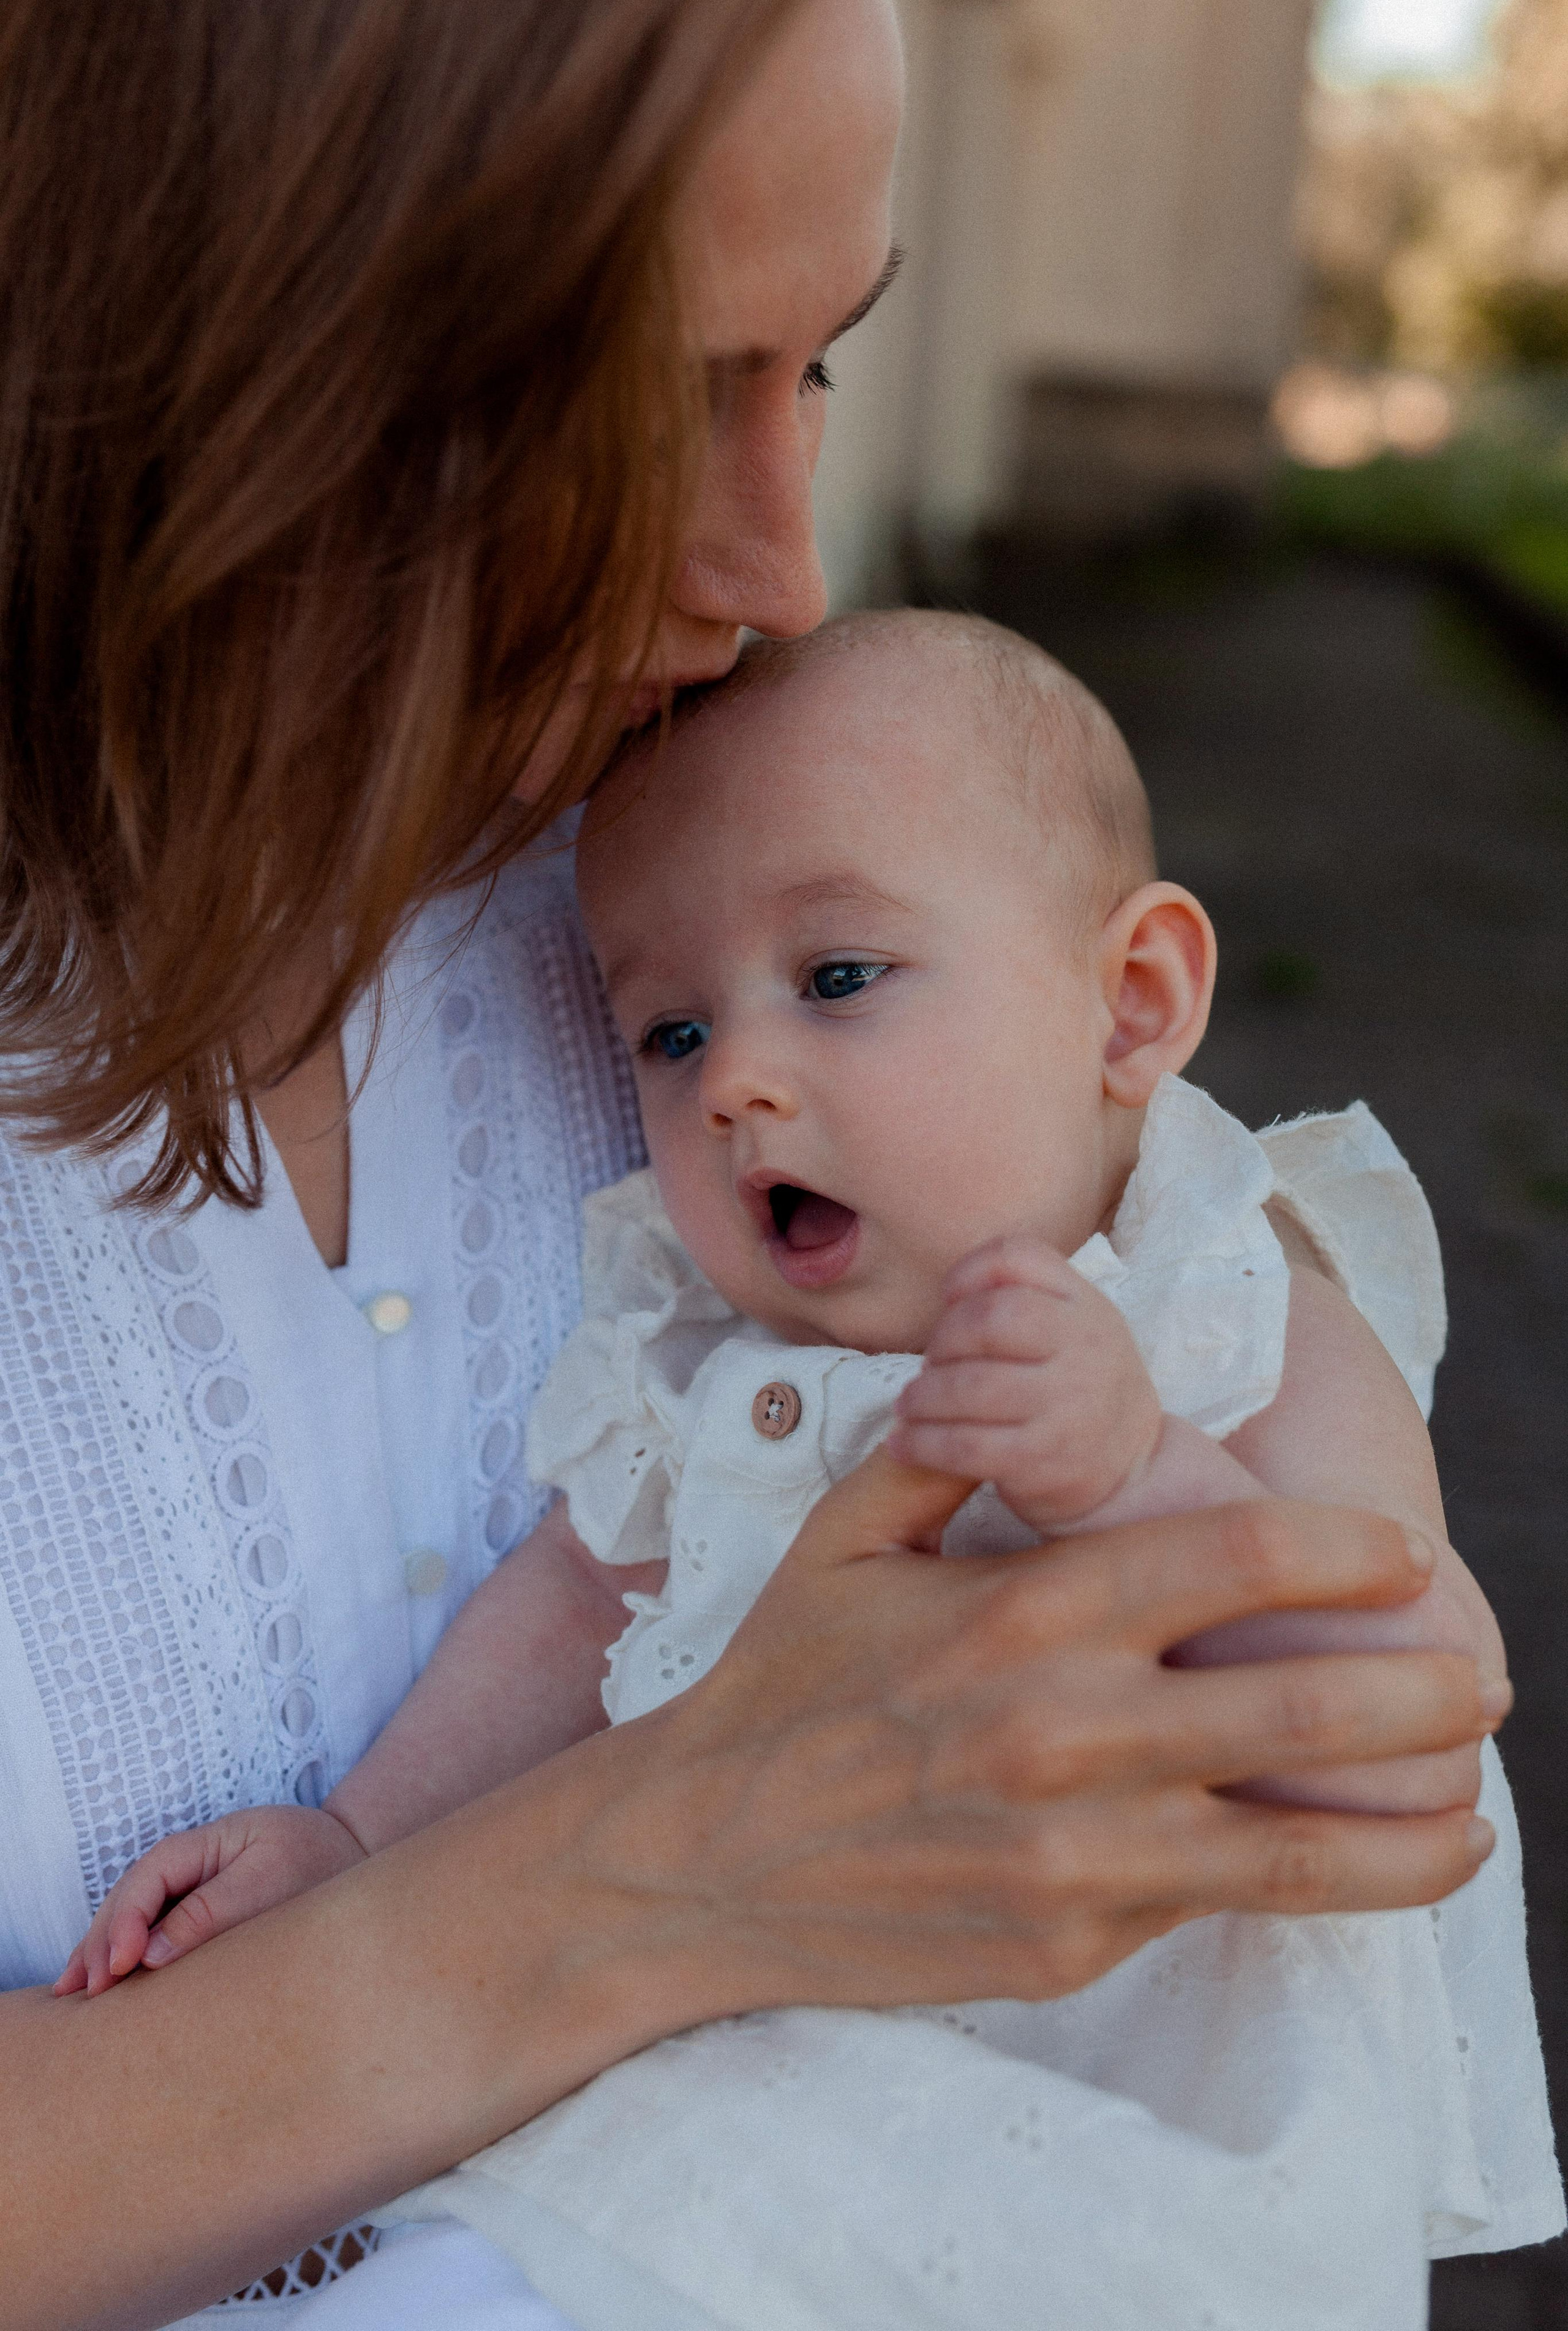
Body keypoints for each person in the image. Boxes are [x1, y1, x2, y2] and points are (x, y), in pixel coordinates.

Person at [0, 0, 1525, 2329]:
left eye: (813, 370)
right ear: (231, 341)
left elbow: (1382, 1709)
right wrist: (660, 1867)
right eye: (650, 406)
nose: (780, 577)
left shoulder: (734, 881)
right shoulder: (699, 965)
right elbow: (591, 1589)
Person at [55, 616, 1561, 2329]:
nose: (737, 1086)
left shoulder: (1228, 1300)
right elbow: (572, 1603)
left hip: (1126, 2142)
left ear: (1130, 1007)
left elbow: (1409, 1724)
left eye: (838, 979)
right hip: (741, 2079)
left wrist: (1139, 1472)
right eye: (670, 1033)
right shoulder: (703, 1351)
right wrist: (354, 1839)